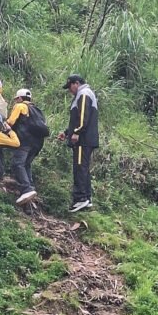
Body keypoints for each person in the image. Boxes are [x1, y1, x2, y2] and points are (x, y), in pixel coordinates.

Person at [58, 74, 99, 213]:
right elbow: (78, 119)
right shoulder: (85, 94)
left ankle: (80, 198)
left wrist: (77, 132)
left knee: (80, 167)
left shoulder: (84, 93)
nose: (70, 90)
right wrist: (67, 133)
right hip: (85, 139)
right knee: (83, 167)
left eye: (70, 86)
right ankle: (86, 198)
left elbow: (82, 116)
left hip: (83, 140)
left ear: (76, 83)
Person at [8, 88, 49, 205]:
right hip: (38, 144)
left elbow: (10, 122)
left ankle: (26, 189)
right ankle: (30, 188)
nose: (16, 101)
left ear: (20, 98)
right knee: (26, 164)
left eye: (17, 99)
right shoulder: (37, 110)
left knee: (17, 164)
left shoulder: (20, 106)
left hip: (24, 141)